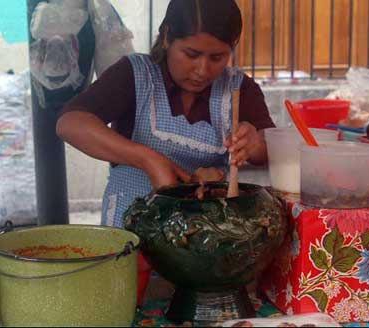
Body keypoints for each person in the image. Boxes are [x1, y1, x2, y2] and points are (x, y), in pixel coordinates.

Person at [57, 0, 275, 227]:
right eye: (191, 54)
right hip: (131, 228)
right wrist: (148, 159)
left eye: (217, 58)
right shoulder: (134, 75)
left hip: (205, 233)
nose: (202, 70)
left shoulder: (239, 89)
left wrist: (256, 144)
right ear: (167, 37)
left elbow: (272, 148)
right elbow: (70, 124)